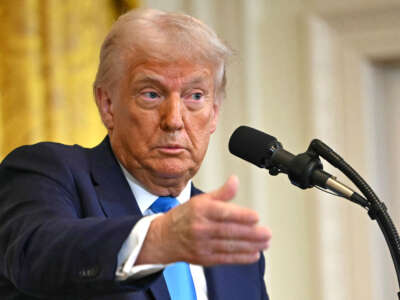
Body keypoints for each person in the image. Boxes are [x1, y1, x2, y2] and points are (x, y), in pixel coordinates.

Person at [0, 8, 271, 300]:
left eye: (195, 96)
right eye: (151, 94)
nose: (174, 120)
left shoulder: (233, 250)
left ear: (214, 113)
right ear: (107, 105)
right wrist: (157, 239)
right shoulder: (50, 174)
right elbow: (34, 256)